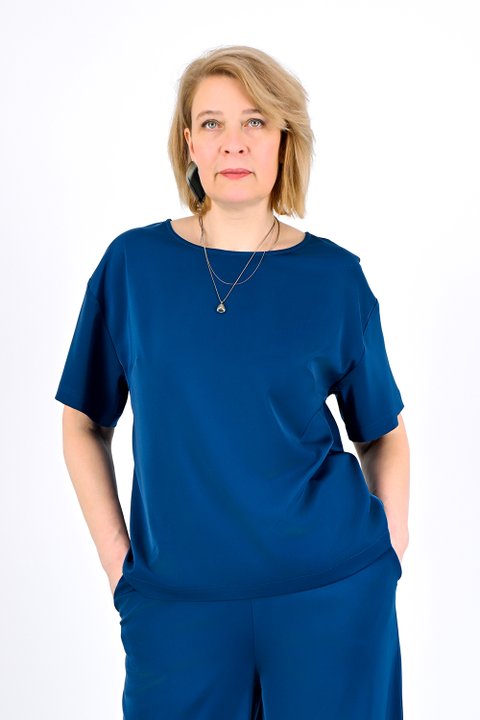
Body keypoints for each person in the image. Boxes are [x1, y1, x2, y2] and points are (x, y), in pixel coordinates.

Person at [55, 45, 410, 719]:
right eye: (212, 123)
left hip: (330, 597)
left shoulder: (335, 277)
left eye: (254, 121)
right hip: (178, 612)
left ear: (283, 139)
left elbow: (382, 435)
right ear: (189, 142)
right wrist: (117, 564)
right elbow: (82, 422)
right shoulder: (132, 266)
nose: (233, 143)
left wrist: (388, 550)